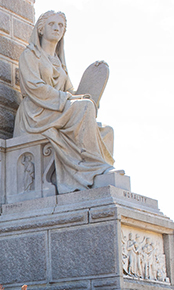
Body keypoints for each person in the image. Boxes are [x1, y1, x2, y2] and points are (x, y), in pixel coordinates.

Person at [14, 10, 120, 193]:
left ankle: (98, 171)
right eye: (52, 24)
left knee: (106, 131)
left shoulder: (59, 61)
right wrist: (70, 99)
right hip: (36, 112)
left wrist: (92, 85)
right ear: (40, 29)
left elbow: (71, 91)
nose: (57, 28)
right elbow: (34, 87)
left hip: (56, 109)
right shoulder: (30, 55)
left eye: (61, 25)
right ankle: (94, 170)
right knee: (84, 107)